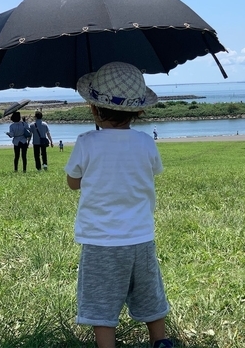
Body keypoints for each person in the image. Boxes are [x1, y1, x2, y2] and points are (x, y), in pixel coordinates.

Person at [64, 62, 172, 348]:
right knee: (150, 295)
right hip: (140, 237)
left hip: (100, 241)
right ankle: (160, 341)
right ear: (138, 111)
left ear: (93, 108)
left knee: (101, 305)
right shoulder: (146, 142)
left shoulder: (86, 142)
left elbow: (73, 182)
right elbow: (152, 171)